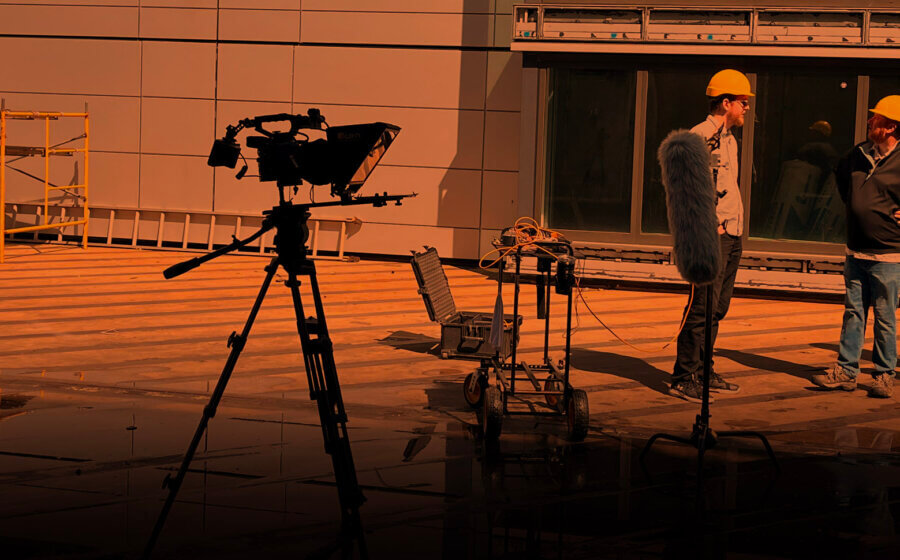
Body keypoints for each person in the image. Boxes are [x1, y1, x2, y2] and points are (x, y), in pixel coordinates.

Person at [669, 69, 751, 402]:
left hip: (732, 233)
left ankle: (704, 370)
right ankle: (683, 375)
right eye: (742, 102)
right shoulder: (698, 137)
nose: (746, 107)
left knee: (718, 307)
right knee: (701, 308)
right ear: (725, 102)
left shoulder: (729, 139)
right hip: (710, 236)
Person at [811, 95, 900, 399]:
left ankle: (885, 374)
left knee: (886, 318)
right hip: (855, 252)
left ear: (890, 127)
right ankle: (846, 371)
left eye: (876, 119)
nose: (870, 121)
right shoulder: (858, 154)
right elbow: (841, 180)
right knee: (853, 312)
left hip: (888, 255)